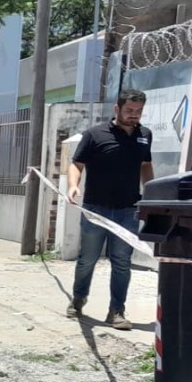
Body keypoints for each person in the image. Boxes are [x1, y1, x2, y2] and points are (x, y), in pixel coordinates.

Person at [66, 89, 153, 331]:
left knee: (122, 262)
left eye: (138, 111)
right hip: (96, 209)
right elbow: (77, 163)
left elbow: (146, 165)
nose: (134, 115)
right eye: (129, 111)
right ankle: (78, 299)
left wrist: (152, 191)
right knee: (88, 259)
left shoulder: (145, 135)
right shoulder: (95, 135)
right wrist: (73, 186)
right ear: (117, 109)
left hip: (128, 210)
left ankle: (117, 311)